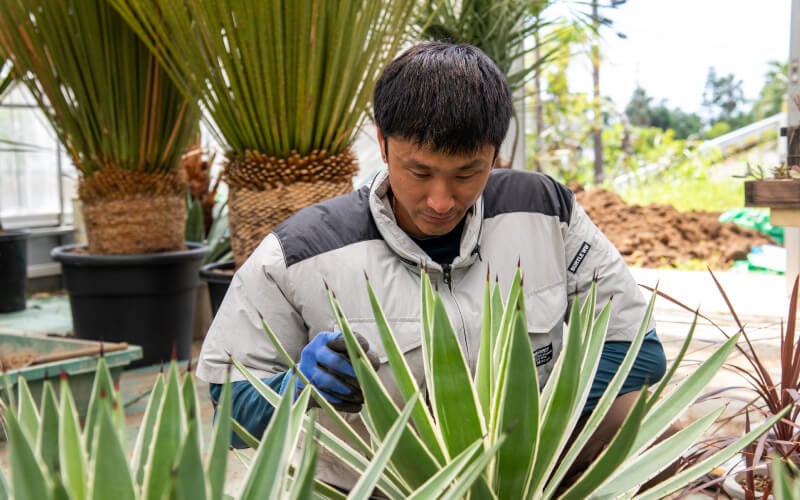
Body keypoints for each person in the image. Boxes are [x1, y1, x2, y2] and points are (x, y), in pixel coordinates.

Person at [197, 41, 672, 491]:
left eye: (468, 173)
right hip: (376, 487)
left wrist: (524, 438)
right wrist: (296, 387)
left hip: (525, 474)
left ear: (496, 151)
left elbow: (638, 351)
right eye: (419, 172)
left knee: (656, 421)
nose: (442, 202)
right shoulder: (300, 253)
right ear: (382, 144)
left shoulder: (545, 212)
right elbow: (229, 409)